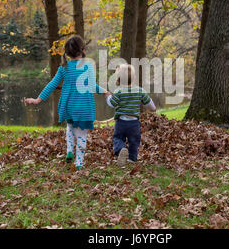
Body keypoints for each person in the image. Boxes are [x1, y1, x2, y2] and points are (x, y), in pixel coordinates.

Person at [24, 35, 107, 170]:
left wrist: (38, 99)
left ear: (67, 52)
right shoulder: (87, 67)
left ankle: (69, 150)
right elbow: (92, 86)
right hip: (83, 107)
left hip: (68, 106)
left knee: (70, 127)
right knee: (81, 135)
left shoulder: (64, 68)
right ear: (83, 49)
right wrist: (105, 91)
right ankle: (79, 163)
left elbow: (52, 84)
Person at [106, 64, 156, 167]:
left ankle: (120, 150)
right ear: (133, 78)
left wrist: (107, 96)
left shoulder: (118, 91)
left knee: (118, 138)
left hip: (121, 122)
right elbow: (151, 105)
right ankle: (132, 158)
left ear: (119, 79)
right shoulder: (139, 90)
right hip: (134, 123)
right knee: (134, 141)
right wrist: (153, 109)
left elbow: (112, 104)